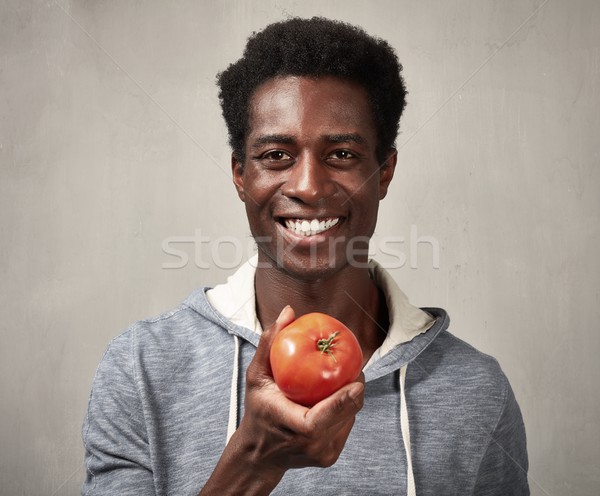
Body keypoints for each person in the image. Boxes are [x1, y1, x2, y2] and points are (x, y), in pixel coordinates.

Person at [81, 17, 529, 496]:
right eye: (276, 155)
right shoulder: (141, 369)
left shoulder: (476, 390)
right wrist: (251, 466)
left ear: (384, 172)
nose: (308, 186)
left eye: (341, 155)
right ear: (240, 174)